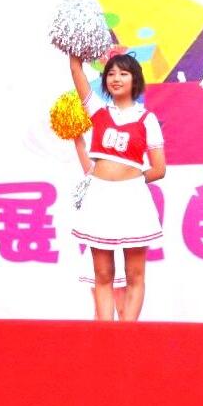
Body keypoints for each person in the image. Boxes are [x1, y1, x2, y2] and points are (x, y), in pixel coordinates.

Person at [69, 53, 165, 321]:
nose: (116, 78)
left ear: (135, 80)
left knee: (134, 274)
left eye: (123, 73)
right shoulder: (98, 111)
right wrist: (74, 53)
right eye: (111, 73)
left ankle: (127, 334)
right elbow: (76, 73)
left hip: (132, 199)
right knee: (102, 274)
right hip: (99, 198)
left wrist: (130, 181)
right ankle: (105, 334)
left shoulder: (147, 119)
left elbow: (159, 168)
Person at [73, 136, 127, 320]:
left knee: (123, 307)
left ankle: (127, 339)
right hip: (98, 244)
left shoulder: (131, 177)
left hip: (121, 246)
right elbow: (80, 146)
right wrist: (75, 131)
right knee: (100, 310)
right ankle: (101, 339)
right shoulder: (93, 175)